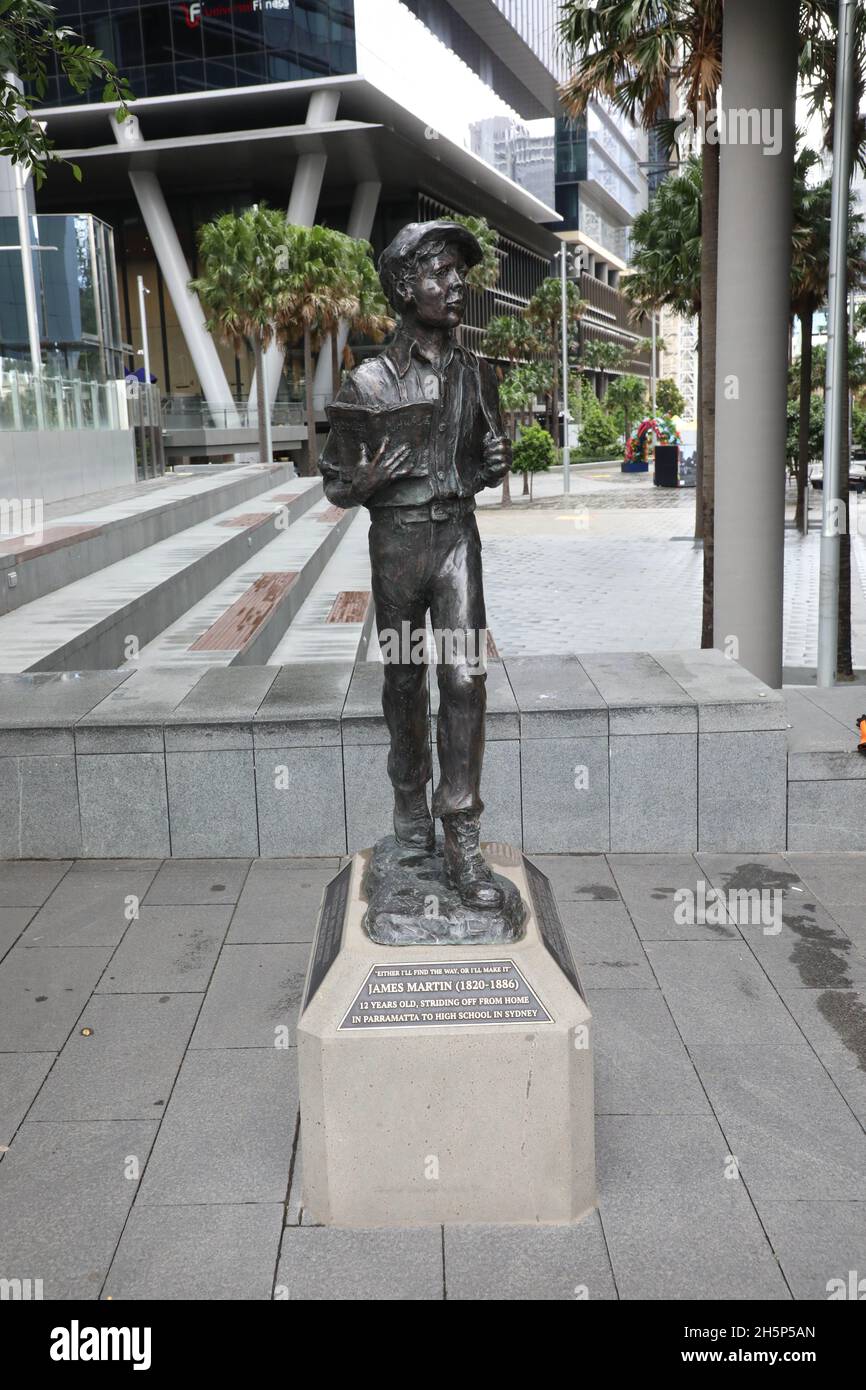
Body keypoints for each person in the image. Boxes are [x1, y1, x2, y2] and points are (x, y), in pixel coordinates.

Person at [319, 220, 511, 909]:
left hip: (457, 537)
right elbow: (335, 483)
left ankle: (460, 830)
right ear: (405, 286)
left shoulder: (476, 371)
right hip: (397, 543)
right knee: (404, 679)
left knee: (464, 675)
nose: (456, 285)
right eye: (440, 271)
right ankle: (409, 800)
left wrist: (492, 465)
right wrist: (363, 483)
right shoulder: (367, 383)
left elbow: (488, 453)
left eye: (460, 272)